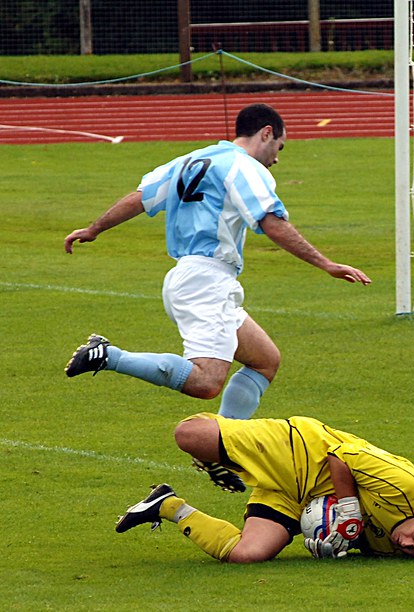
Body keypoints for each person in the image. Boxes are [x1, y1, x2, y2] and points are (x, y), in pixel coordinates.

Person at [63, 104, 371, 490]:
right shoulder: (245, 167)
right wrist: (326, 263)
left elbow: (140, 198)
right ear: (265, 132)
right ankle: (108, 355)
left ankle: (222, 446)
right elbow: (270, 221)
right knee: (206, 382)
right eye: (280, 146)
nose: (276, 158)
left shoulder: (190, 159)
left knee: (264, 361)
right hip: (206, 281)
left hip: (189, 277)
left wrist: (94, 228)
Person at [114, 412, 414, 563]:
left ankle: (166, 505)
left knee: (245, 555)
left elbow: (347, 537)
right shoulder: (404, 484)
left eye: (413, 552)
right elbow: (339, 455)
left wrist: (335, 549)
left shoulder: (392, 549)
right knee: (189, 434)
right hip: (300, 451)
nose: (405, 545)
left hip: (296, 498)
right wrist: (348, 507)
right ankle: (223, 436)